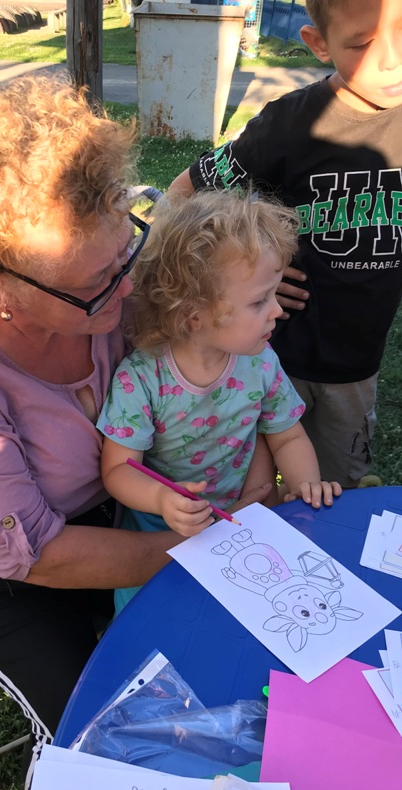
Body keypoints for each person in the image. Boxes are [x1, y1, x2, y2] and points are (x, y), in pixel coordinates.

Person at [0, 74, 273, 790]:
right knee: (101, 740)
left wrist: (237, 300)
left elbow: (205, 328)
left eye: (125, 254)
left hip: (133, 506)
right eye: (95, 285)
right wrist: (206, 550)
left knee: (223, 674)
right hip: (3, 571)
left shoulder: (107, 274)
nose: (129, 288)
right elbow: (41, 557)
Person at [169, 0, 402, 489]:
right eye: (362, 44)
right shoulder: (288, 125)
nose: (391, 59)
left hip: (357, 364)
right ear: (319, 44)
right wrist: (243, 279)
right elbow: (183, 195)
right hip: (273, 356)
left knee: (337, 487)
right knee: (253, 488)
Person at [97, 191, 341, 613]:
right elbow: (119, 469)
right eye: (259, 301)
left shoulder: (260, 362)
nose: (277, 311)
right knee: (162, 618)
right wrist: (162, 501)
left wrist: (304, 488)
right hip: (161, 526)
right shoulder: (141, 378)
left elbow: (287, 437)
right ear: (195, 315)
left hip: (244, 517)